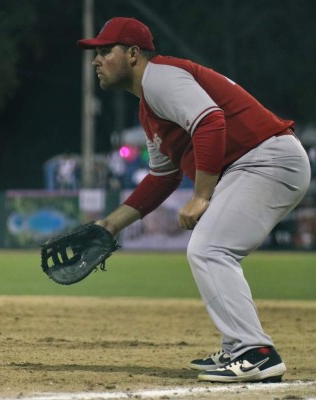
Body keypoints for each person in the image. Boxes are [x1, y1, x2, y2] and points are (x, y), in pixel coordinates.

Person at [78, 18, 310, 383]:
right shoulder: (149, 107)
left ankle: (256, 353)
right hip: (255, 162)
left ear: (134, 54)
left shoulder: (160, 77)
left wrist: (202, 196)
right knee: (209, 248)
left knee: (209, 248)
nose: (97, 60)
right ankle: (238, 346)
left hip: (266, 159)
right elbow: (163, 177)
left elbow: (210, 122)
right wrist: (110, 225)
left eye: (106, 51)